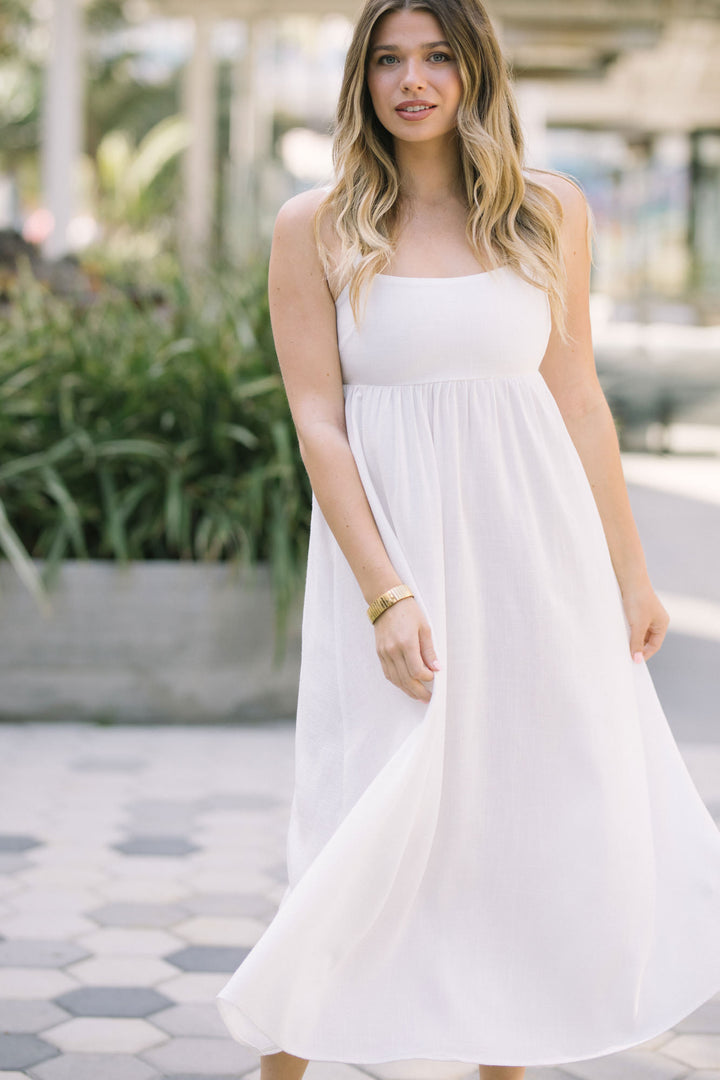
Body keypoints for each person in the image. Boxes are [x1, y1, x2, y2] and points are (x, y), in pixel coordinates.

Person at [215, 1, 720, 1077]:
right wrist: (387, 595)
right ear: (362, 78)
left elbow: (579, 399)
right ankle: (286, 1059)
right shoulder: (317, 223)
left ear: (474, 70)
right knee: (364, 828)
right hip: (394, 567)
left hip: (536, 566)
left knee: (516, 826)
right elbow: (318, 419)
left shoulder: (550, 212)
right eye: (390, 59)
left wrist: (631, 575)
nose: (414, 80)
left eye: (438, 56)